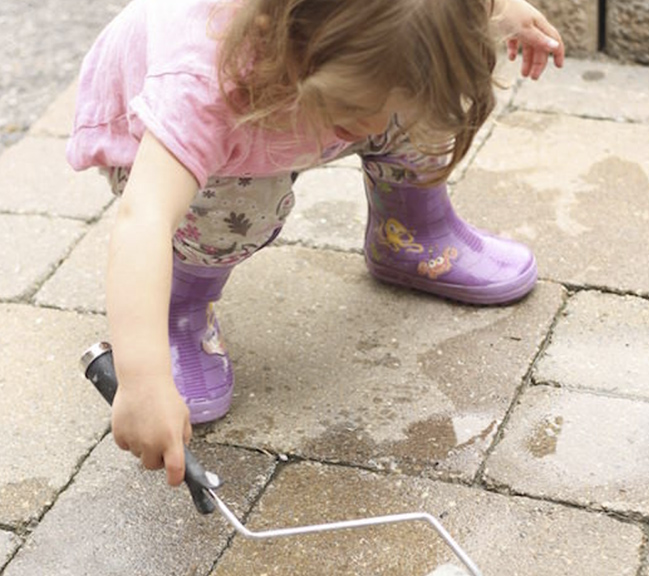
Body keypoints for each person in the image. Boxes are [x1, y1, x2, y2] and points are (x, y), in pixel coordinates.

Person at [67, 0, 564, 486]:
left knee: (430, 92)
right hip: (184, 145)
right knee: (238, 207)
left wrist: (491, 11)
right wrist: (143, 376)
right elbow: (144, 218)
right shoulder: (200, 87)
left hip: (311, 83)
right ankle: (182, 301)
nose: (374, 124)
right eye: (356, 110)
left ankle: (411, 233)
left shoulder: (382, 39)